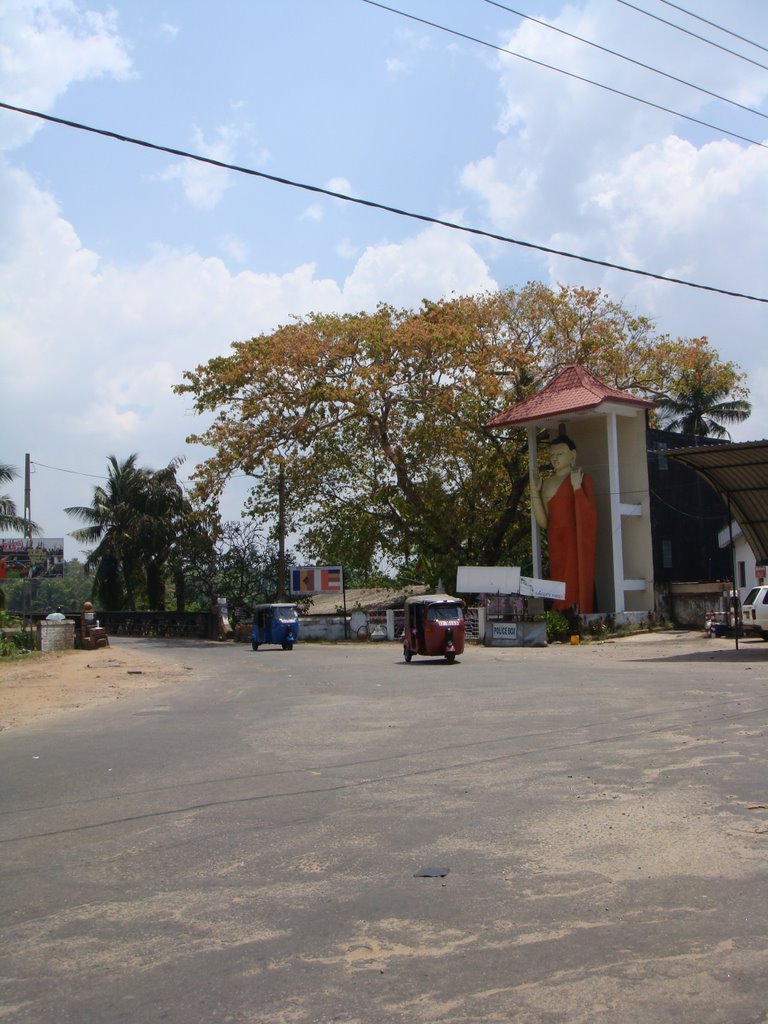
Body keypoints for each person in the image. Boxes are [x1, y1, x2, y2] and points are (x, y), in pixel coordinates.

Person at [529, 434, 597, 613]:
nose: (554, 458)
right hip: (555, 539)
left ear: (573, 455)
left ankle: (575, 610)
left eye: (559, 454)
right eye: (551, 455)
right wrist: (534, 492)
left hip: (574, 539)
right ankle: (559, 611)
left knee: (573, 576)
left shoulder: (582, 479)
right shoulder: (547, 483)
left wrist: (577, 488)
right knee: (557, 578)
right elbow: (544, 521)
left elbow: (589, 514)